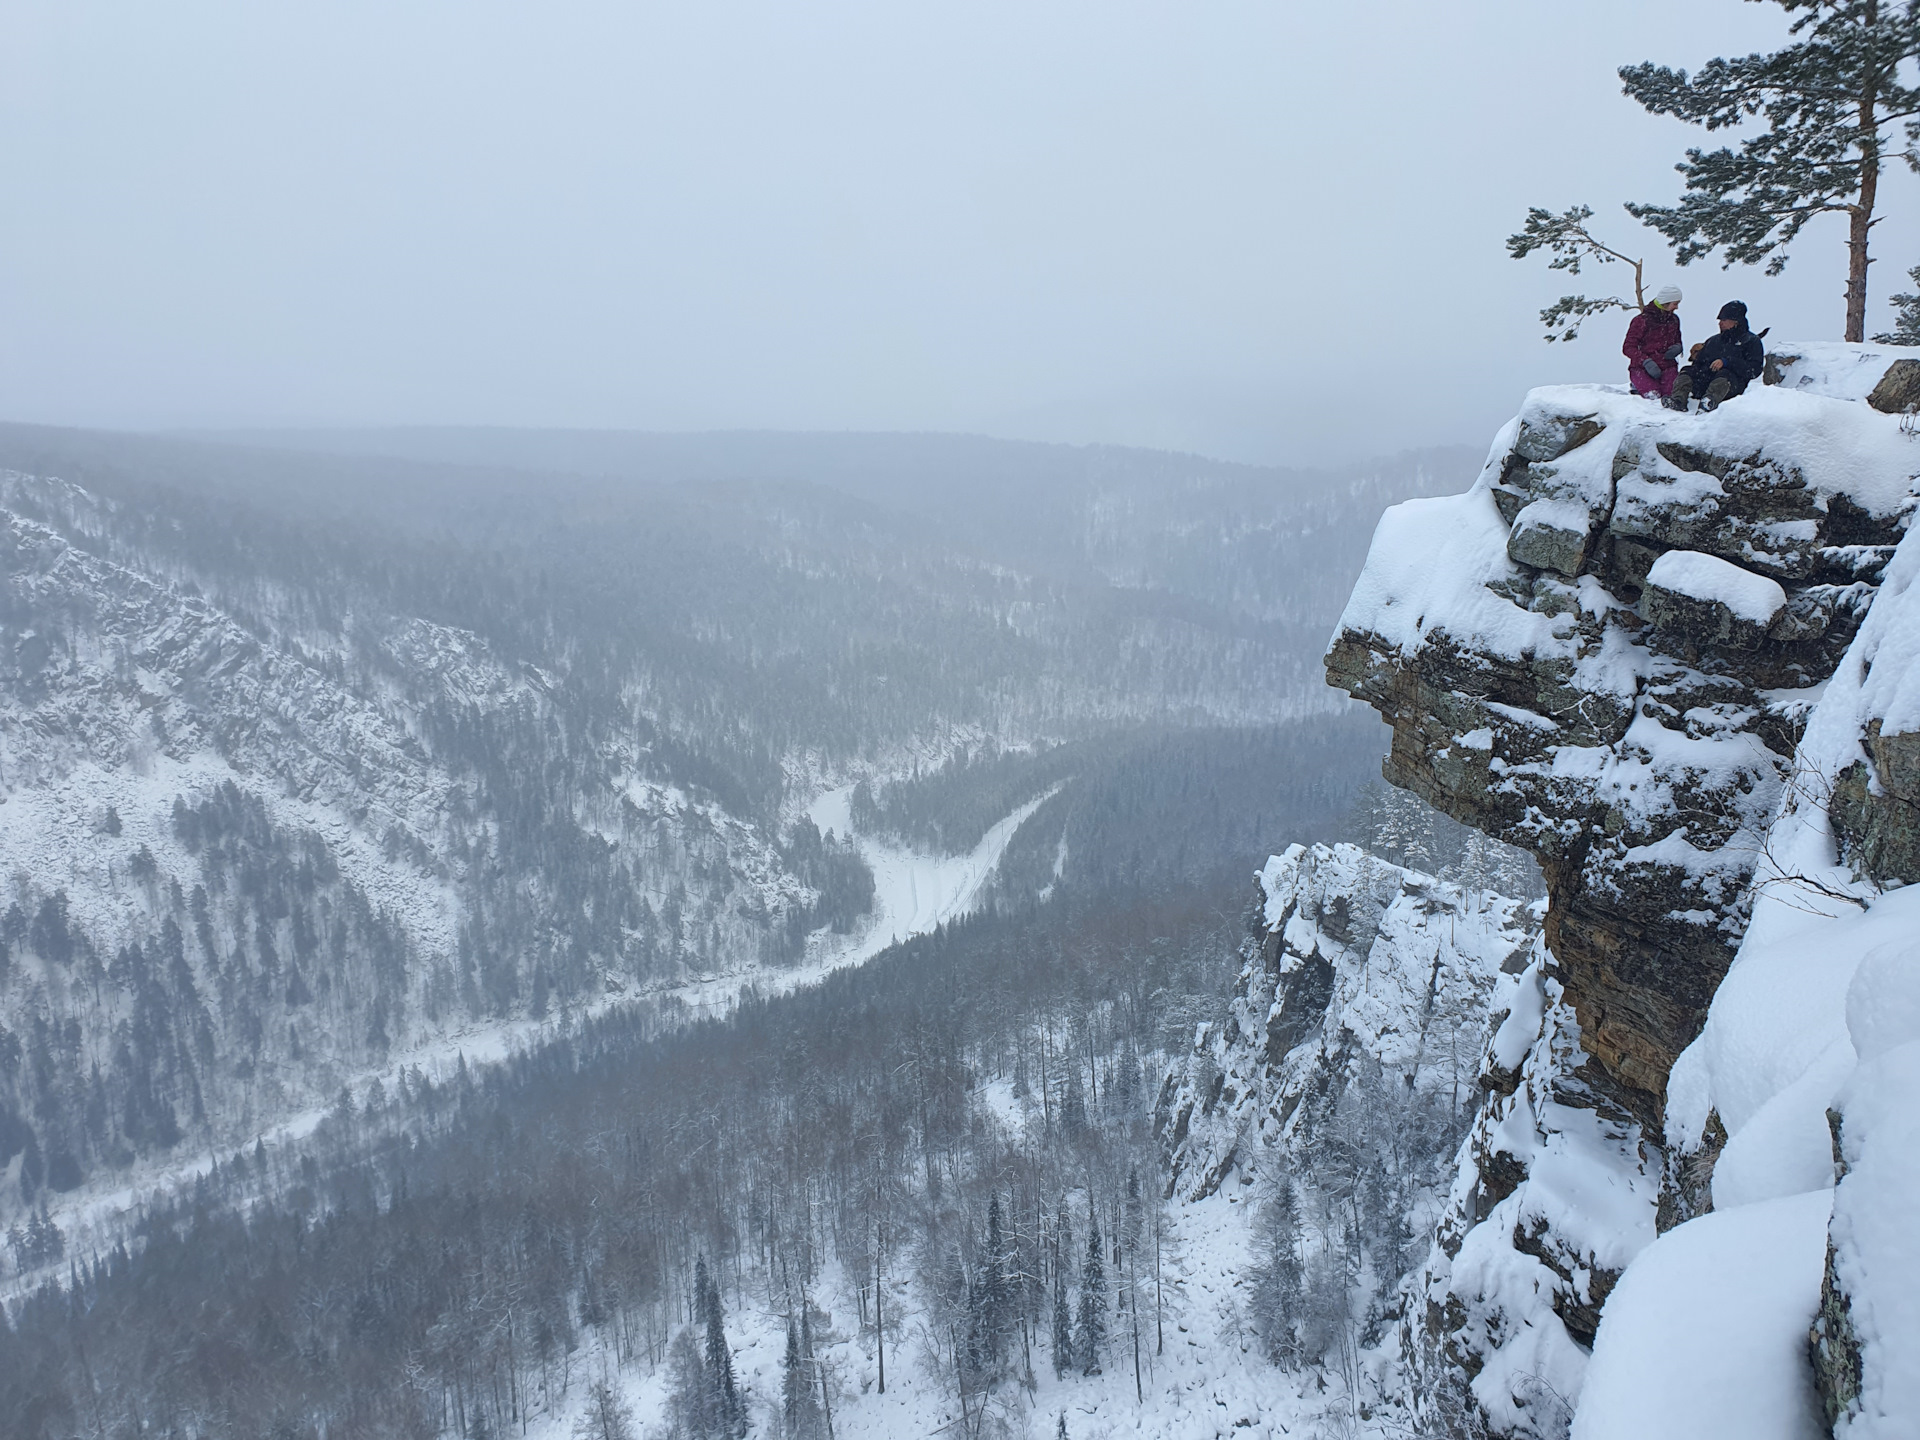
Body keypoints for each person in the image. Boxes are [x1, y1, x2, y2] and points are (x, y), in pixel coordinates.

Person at [1671, 301, 1766, 410]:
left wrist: (1727, 362)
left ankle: (1709, 402)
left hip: (1732, 386)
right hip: (1705, 382)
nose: (1720, 323)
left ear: (1736, 321)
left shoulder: (1751, 341)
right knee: (1687, 370)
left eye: (1724, 320)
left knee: (1725, 374)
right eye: (1720, 320)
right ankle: (1678, 400)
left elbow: (1754, 370)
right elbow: (1699, 363)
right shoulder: (1713, 341)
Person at [1623, 286, 1684, 400]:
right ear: (1666, 302)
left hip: (1668, 366)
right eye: (1675, 304)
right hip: (1642, 368)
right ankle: (1637, 386)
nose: (1677, 307)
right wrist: (1646, 361)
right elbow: (1628, 347)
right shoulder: (1641, 320)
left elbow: (1677, 340)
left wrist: (1678, 348)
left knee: (1672, 396)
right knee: (1653, 397)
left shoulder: (1674, 320)